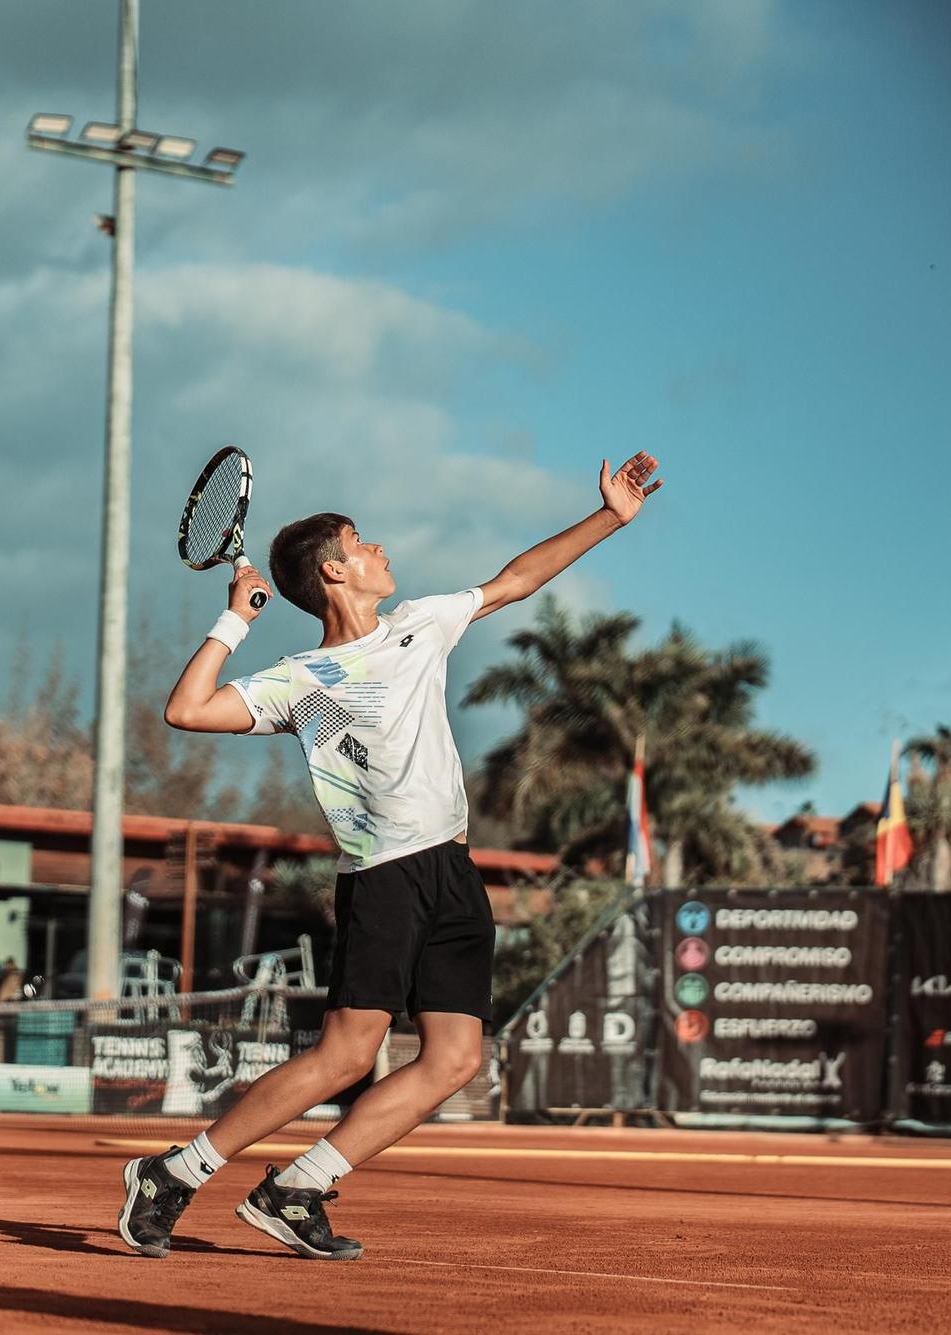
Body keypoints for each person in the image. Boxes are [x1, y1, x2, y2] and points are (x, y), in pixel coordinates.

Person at [116, 451, 662, 1260]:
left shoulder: (421, 621)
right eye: (362, 541)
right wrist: (237, 620)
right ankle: (173, 1173)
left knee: (455, 1057)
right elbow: (187, 709)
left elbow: (516, 580)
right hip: (384, 875)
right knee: (347, 1053)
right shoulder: (302, 679)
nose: (380, 550)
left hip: (452, 867)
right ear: (335, 570)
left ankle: (298, 1186)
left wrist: (611, 518)